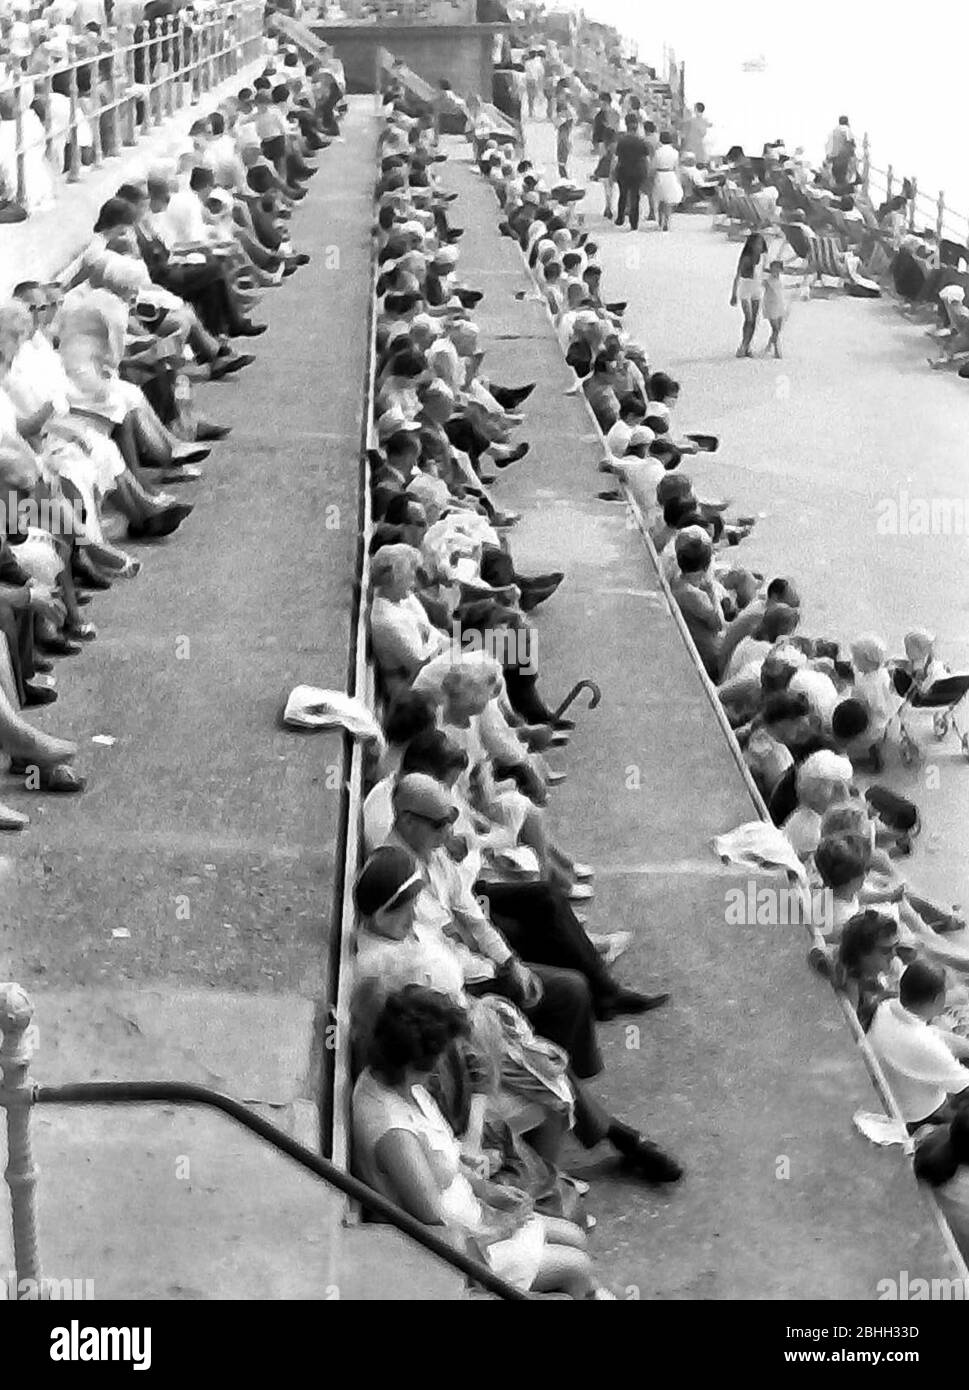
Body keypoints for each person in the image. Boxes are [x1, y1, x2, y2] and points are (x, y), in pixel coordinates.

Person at [352, 984, 609, 1297]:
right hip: (464, 1253)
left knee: (575, 1237)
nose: (442, 1064)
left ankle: (597, 1294)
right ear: (414, 1062)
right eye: (439, 1055)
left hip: (475, 1215)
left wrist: (489, 1191)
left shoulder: (402, 1084)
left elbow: (441, 1162)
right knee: (577, 1267)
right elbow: (436, 1228)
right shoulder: (395, 1135)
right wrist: (498, 1228)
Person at [868, 960, 969, 1131]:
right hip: (920, 1117)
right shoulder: (927, 1046)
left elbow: (933, 1035)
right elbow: (964, 1085)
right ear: (938, 999)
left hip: (888, 1090)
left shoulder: (885, 1009)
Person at [730, 232, 769, 358]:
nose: (758, 246)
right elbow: (737, 276)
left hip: (757, 289)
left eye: (760, 243)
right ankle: (743, 345)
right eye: (756, 243)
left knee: (754, 320)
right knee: (749, 319)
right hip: (746, 289)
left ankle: (747, 346)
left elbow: (764, 272)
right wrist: (733, 294)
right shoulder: (746, 258)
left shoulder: (763, 257)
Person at [613, 114, 650, 232]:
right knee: (635, 196)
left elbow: (617, 157)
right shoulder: (641, 141)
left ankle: (620, 218)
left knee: (623, 194)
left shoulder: (622, 141)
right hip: (637, 171)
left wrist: (613, 172)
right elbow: (646, 158)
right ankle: (634, 223)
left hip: (623, 170)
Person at [650, 132, 683, 233]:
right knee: (669, 200)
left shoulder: (657, 152)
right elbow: (676, 167)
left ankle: (661, 220)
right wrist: (679, 180)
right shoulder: (675, 152)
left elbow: (653, 166)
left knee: (660, 199)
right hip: (670, 174)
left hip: (660, 174)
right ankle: (667, 221)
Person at [762, 260, 788, 358]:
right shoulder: (768, 280)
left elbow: (782, 291)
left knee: (777, 329)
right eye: (773, 268)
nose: (775, 271)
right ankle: (776, 351)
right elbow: (761, 284)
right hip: (770, 306)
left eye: (777, 268)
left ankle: (769, 345)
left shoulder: (781, 279)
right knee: (775, 329)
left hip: (780, 305)